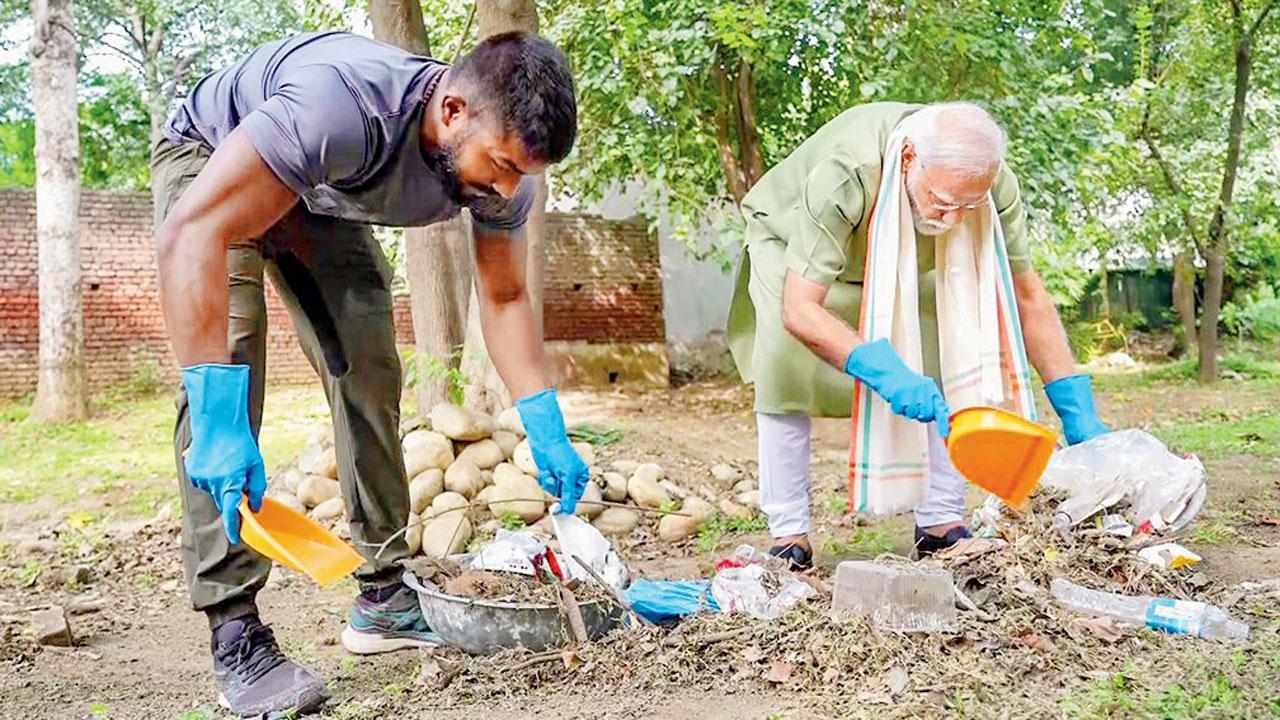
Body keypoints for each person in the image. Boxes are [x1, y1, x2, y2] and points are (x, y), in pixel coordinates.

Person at [151, 30, 585, 717]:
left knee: (370, 364)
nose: (505, 191)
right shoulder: (343, 106)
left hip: (315, 191)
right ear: (451, 113)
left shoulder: (505, 179)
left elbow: (503, 297)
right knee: (228, 365)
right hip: (213, 156)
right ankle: (234, 628)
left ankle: (382, 592)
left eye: (520, 176)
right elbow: (191, 234)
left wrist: (542, 417)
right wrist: (213, 413)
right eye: (499, 165)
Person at [727, 102, 1108, 570]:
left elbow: (1026, 294)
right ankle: (790, 537)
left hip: (910, 254)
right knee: (785, 372)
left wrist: (1075, 409)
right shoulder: (846, 174)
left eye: (967, 208)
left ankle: (941, 523)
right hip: (792, 252)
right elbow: (800, 309)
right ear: (909, 159)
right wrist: (879, 369)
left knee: (946, 346)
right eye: (944, 202)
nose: (951, 221)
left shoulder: (989, 186)